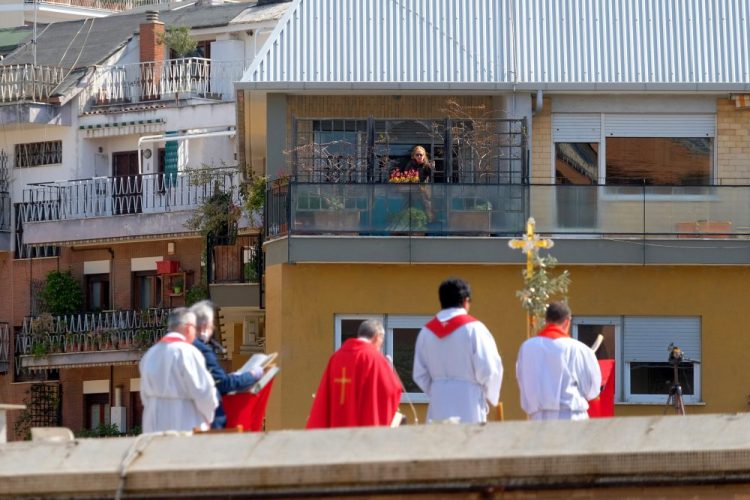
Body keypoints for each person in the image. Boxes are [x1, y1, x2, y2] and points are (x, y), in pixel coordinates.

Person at [413, 278, 503, 424]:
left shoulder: (426, 332)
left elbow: (420, 374)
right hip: (468, 400)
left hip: (438, 401)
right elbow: (489, 369)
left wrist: (438, 388)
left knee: (440, 444)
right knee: (468, 442)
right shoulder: (474, 329)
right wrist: (488, 394)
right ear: (465, 301)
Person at [306, 320, 402, 428]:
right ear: (377, 337)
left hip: (336, 429)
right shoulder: (375, 359)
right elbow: (391, 390)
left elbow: (324, 396)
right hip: (363, 430)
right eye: (382, 342)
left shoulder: (336, 358)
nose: (380, 346)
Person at [516, 301, 602, 421]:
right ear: (567, 321)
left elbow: (522, 380)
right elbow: (592, 389)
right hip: (571, 417)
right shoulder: (578, 349)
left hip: (538, 419)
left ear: (546, 321)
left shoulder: (527, 347)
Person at [139, 308, 218, 433]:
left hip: (153, 421)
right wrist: (209, 417)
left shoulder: (150, 354)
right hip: (183, 419)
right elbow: (203, 391)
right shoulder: (187, 352)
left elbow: (144, 395)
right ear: (188, 328)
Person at [190, 300, 264, 429]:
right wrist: (251, 376)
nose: (213, 328)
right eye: (212, 324)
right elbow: (223, 384)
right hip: (208, 420)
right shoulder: (201, 349)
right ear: (203, 326)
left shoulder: (183, 346)